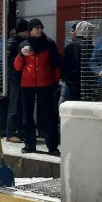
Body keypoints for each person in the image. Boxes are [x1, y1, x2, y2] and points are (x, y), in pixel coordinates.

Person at [14, 18, 61, 156]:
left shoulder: (49, 43)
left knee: (49, 116)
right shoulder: (23, 45)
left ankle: (52, 146)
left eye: (41, 27)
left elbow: (56, 64)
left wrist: (55, 81)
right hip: (27, 85)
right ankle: (29, 145)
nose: (40, 30)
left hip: (45, 84)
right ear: (30, 30)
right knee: (27, 116)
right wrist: (21, 55)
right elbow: (17, 67)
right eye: (37, 28)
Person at [5, 19, 29, 143]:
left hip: (20, 77)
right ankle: (10, 133)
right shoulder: (13, 42)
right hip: (15, 78)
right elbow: (9, 60)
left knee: (20, 106)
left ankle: (20, 132)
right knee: (14, 106)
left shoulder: (20, 41)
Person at [61, 21, 95, 104]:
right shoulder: (92, 47)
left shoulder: (70, 46)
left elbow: (65, 65)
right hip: (86, 84)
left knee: (64, 106)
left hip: (70, 82)